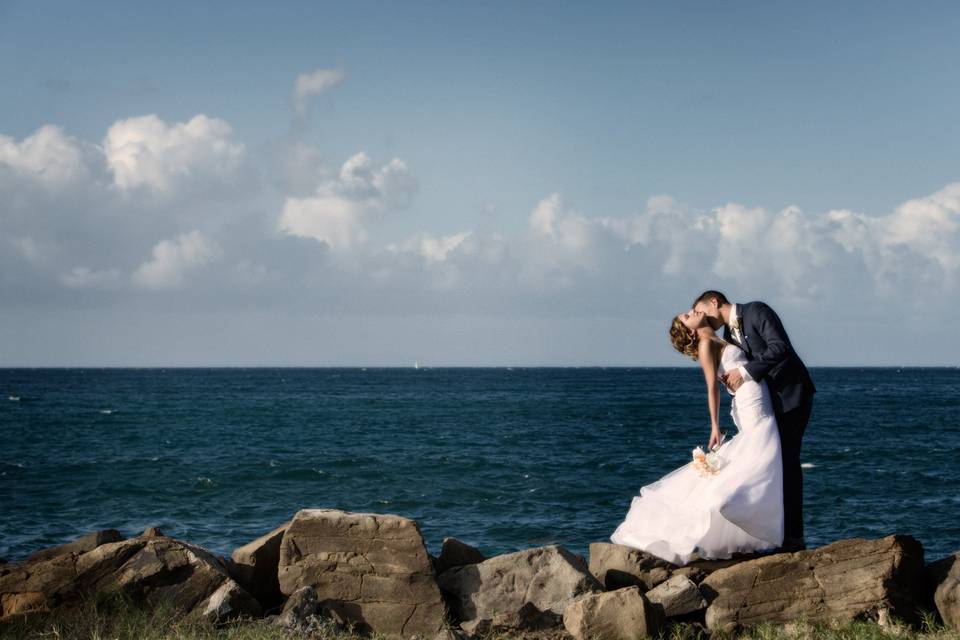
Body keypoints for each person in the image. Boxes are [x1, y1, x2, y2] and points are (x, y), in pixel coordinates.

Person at [610, 307, 784, 564]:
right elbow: (712, 388)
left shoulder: (719, 337)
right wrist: (714, 425)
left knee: (760, 453)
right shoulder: (705, 345)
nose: (692, 310)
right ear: (690, 332)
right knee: (761, 450)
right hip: (750, 400)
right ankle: (727, 506)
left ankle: (746, 526)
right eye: (687, 315)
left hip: (753, 394)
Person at [692, 291, 815, 552]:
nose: (701, 317)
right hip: (766, 405)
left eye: (701, 310)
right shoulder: (726, 336)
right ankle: (771, 532)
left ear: (714, 302)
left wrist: (744, 372)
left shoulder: (757, 311)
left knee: (788, 463)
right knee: (769, 465)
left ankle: (793, 536)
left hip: (792, 396)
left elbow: (780, 348)